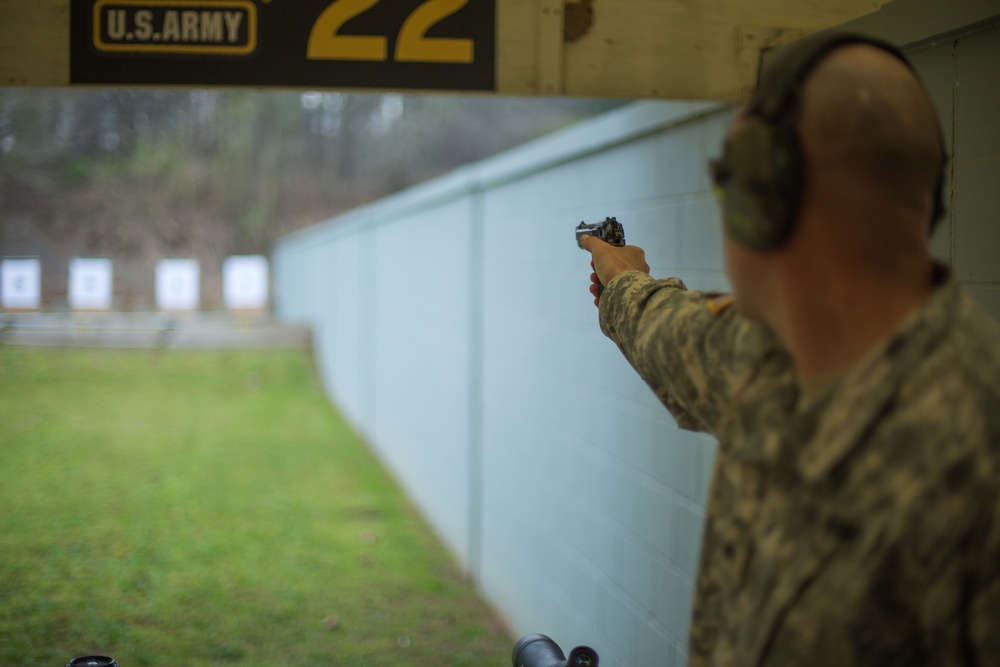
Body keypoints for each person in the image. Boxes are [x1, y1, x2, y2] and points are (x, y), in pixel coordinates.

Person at [580, 32, 1000, 666]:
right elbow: (671, 334)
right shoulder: (777, 352)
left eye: (732, 185)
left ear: (766, 202)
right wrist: (622, 276)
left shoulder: (974, 450)